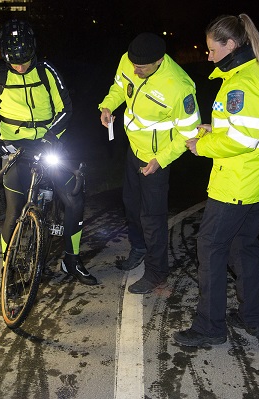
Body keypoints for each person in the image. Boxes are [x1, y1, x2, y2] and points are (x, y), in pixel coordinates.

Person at [173, 14, 259, 347]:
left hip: (235, 183)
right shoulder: (258, 74)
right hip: (255, 181)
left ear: (230, 45)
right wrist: (214, 129)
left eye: (211, 49)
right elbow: (248, 129)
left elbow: (241, 140)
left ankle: (210, 326)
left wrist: (200, 144)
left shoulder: (239, 84)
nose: (207, 56)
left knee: (211, 248)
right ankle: (252, 317)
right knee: (244, 248)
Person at [0, 19, 98, 285]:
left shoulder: (47, 72)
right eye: (14, 63)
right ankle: (8, 268)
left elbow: (65, 109)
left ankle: (71, 260)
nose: (20, 67)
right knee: (14, 209)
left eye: (25, 61)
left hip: (48, 145)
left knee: (74, 198)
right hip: (15, 148)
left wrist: (51, 136)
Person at [99, 33, 201, 294]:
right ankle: (139, 248)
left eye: (141, 68)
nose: (134, 69)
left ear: (159, 60)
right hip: (134, 150)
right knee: (131, 206)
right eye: (132, 64)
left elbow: (190, 134)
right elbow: (120, 88)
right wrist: (108, 106)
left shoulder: (179, 85)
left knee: (152, 219)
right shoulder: (130, 60)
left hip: (157, 159)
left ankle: (157, 274)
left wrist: (161, 159)